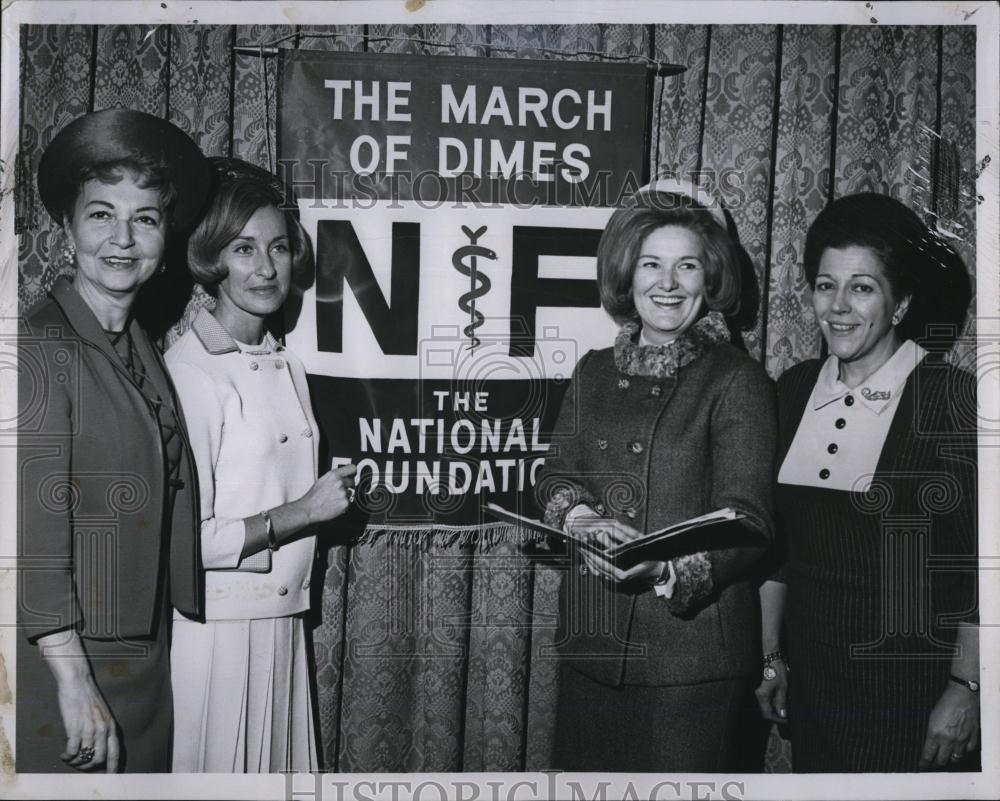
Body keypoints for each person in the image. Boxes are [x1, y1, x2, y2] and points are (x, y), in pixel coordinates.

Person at [536, 179, 777, 772]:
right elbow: (553, 477)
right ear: (627, 273)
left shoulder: (737, 380)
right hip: (593, 651)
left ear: (710, 278)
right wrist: (580, 516)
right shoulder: (592, 372)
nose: (667, 284)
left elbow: (750, 522)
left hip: (690, 664)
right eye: (651, 264)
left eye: (686, 266)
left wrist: (669, 567)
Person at [755, 192, 978, 772]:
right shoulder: (793, 388)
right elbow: (778, 550)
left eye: (862, 287)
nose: (839, 307)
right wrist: (771, 657)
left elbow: (988, 564)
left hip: (915, 694)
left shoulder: (951, 398)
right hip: (815, 687)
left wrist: (967, 688)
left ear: (900, 301)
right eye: (825, 285)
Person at [17, 109, 210, 772]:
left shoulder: (139, 345)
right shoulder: (41, 345)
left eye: (145, 218)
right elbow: (30, 532)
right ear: (66, 230)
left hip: (141, 654)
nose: (122, 238)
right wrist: (72, 681)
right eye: (101, 214)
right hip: (70, 663)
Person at [166, 158, 357, 772]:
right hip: (217, 631)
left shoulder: (287, 362)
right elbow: (189, 542)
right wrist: (306, 511)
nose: (267, 267)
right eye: (244, 249)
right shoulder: (192, 371)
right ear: (211, 259)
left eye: (277, 247)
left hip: (281, 620)